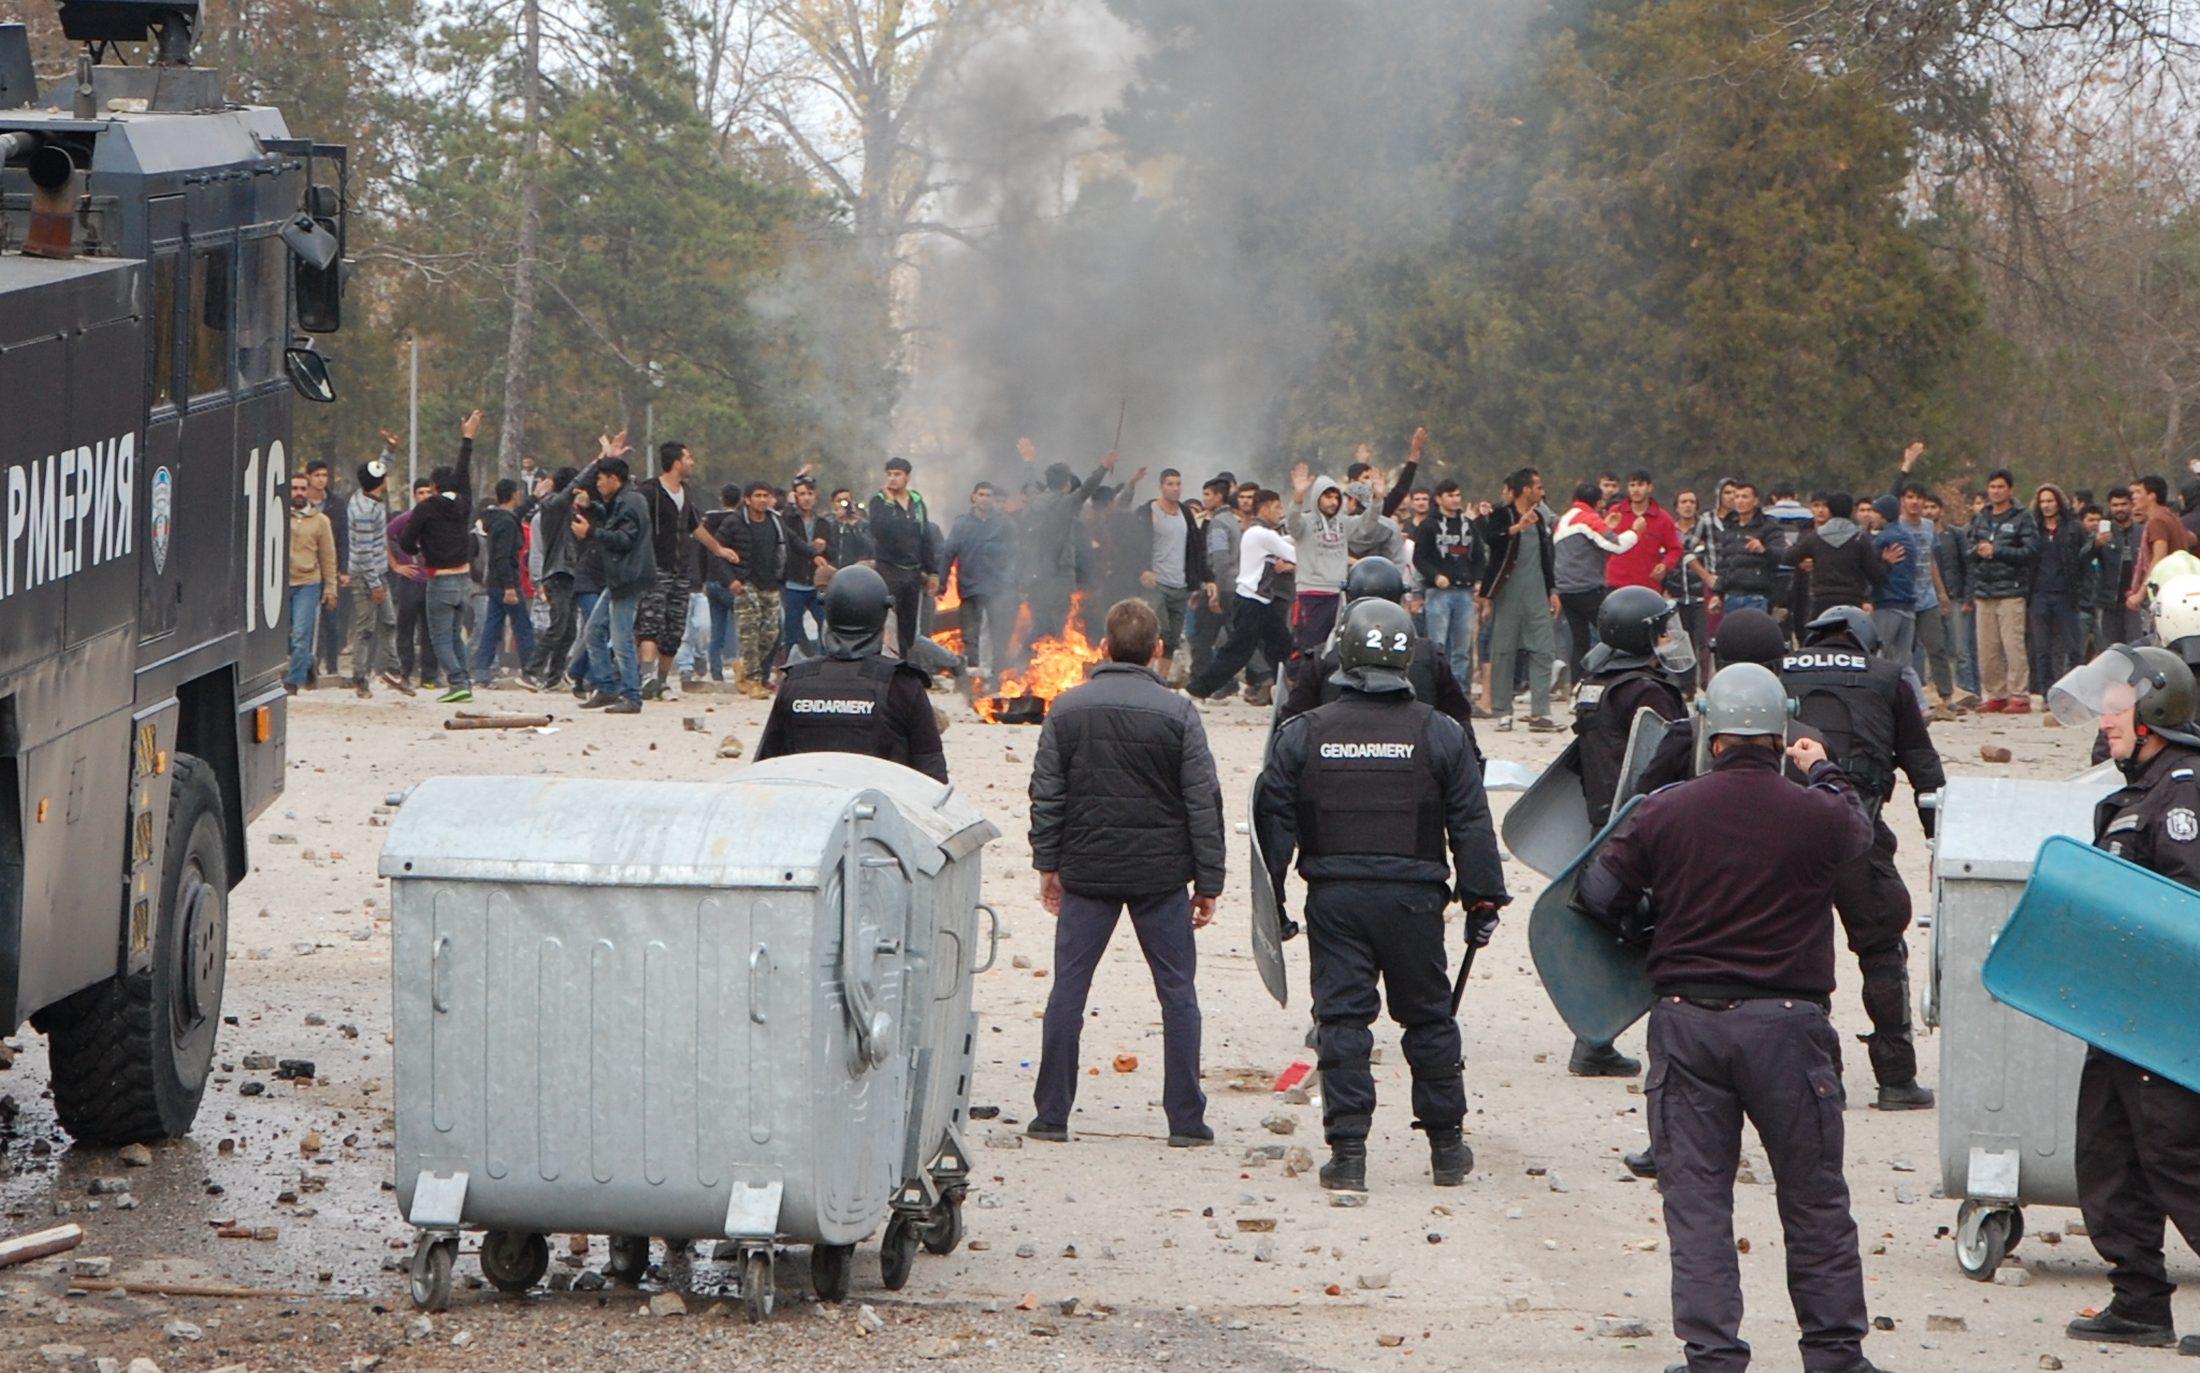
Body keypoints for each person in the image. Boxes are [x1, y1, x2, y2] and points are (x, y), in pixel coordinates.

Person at [1577, 662, 1884, 1373]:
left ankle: (1712, 1356)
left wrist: (1650, 922)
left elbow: (1595, 893)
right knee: (1815, 1200)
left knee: (1699, 1206)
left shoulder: (1667, 810)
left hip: (1688, 1025)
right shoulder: (1819, 813)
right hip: (1790, 1027)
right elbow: (1858, 830)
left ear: (1711, 733)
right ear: (1781, 736)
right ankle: (1836, 1354)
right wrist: (1826, 769)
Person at [1254, 598, 1507, 1191]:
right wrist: (1483, 900)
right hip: (1415, 902)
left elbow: (1274, 823)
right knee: (1429, 1021)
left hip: (1336, 899)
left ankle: (1348, 1158)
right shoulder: (1441, 733)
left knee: (1342, 1023)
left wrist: (1278, 906)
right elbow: (1471, 823)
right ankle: (1447, 1150)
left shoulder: (1302, 733)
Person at [2044, 645, 2200, 1355]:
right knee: (2108, 1157)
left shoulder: (2183, 790)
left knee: (2179, 1157)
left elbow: (2183, 904)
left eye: (2116, 708)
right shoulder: (2132, 792)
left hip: (2165, 1017)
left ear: (2155, 711)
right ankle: (2138, 1299)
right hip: (2118, 1017)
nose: (2104, 720)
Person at [1025, 598, 1223, 1147]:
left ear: (1104, 649)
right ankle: (1186, 1120)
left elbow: (1047, 793)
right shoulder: (1179, 712)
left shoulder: (1066, 708)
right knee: (1178, 994)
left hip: (1087, 870)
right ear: (1157, 652)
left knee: (1069, 988)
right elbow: (1203, 801)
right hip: (1160, 877)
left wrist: (1048, 863)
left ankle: (1051, 1115)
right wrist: (1209, 881)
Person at [1777, 606, 1944, 1110]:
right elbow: (1924, 769)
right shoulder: (1889, 677)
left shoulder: (1778, 670)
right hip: (1858, 829)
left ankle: (1813, 1077)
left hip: (1787, 833)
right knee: (1881, 951)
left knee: (1793, 957)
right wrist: (1940, 842)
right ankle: (1896, 1081)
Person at [1564, 584, 1691, 1081]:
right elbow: (1670, 756)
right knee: (1660, 930)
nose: (1666, 639)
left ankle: (1593, 1039)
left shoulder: (1596, 681)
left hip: (1606, 817)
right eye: (1659, 631)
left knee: (1611, 927)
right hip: (1643, 819)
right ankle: (1615, 1041)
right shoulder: (1646, 689)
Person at [1277, 557, 1481, 762]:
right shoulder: (1428, 656)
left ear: (1349, 595)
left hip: (1335, 775)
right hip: (1417, 778)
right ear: (1400, 597)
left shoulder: (1324, 656)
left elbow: (1289, 727)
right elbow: (1460, 723)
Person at [754, 565, 946, 781]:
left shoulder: (796, 682)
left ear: (828, 610)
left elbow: (764, 770)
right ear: (883, 613)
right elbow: (933, 778)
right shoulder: (902, 684)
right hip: (882, 809)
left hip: (813, 809)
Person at [637, 442, 736, 702]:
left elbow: (695, 527)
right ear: (676, 462)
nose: (692, 462)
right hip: (655, 568)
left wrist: (719, 549)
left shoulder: (686, 493)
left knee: (674, 628)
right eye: (688, 458)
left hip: (682, 571)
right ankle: (646, 679)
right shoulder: (649, 492)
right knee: (650, 623)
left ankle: (661, 681)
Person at [396, 410, 484, 704]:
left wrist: (418, 547)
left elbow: (406, 543)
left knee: (440, 637)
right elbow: (464, 474)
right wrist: (467, 439)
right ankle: (464, 684)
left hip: (440, 580)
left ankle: (457, 681)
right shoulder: (465, 503)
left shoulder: (427, 508)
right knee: (456, 635)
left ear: (433, 486)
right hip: (464, 580)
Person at [1187, 489, 1298, 701]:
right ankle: (1198, 689)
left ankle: (1293, 691)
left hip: (1263, 603)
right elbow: (1293, 552)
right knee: (1237, 653)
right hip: (1251, 604)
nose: (1280, 512)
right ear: (1264, 509)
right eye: (1277, 507)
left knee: (1281, 647)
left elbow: (1286, 542)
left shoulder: (1259, 533)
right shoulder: (1261, 534)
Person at [1477, 467, 1561, 732]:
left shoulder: (1540, 518)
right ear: (1526, 489)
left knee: (1543, 650)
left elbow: (1547, 557)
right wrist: (1516, 527)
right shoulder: (1502, 514)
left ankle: (1540, 713)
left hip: (1536, 592)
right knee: (1503, 651)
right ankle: (1503, 711)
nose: (1541, 492)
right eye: (1538, 487)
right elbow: (1491, 539)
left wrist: (1553, 590)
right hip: (1507, 593)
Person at [574, 455, 652, 714]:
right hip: (618, 577)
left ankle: (632, 695)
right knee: (593, 631)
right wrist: (590, 508)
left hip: (628, 578)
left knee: (621, 640)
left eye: (600, 478)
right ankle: (606, 687)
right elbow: (610, 518)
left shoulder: (630, 502)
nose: (597, 483)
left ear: (613, 479)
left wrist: (591, 533)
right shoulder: (622, 499)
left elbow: (624, 538)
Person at [1554, 482, 1640, 685]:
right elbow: (1617, 545)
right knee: (1614, 634)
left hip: (1566, 590)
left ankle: (1577, 686)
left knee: (1579, 641)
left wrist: (1607, 525)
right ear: (1599, 501)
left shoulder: (1564, 519)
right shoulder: (1588, 518)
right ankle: (1618, 679)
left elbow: (1585, 546)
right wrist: (1636, 531)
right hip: (1587, 588)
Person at [1967, 468, 2037, 713]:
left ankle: (2019, 695)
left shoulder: (2022, 517)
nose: (1996, 491)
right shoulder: (1981, 517)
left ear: (2010, 490)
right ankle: (1996, 694)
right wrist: (1978, 551)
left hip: (2011, 591)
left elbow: (2030, 552)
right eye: (1992, 487)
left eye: (2000, 487)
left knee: (2013, 645)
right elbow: (1967, 548)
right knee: (1987, 648)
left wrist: (1998, 551)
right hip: (1983, 591)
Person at [1411, 480, 1486, 697]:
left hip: (1464, 593)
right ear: (1439, 498)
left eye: (1457, 495)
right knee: (1438, 646)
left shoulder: (1468, 525)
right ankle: (1435, 691)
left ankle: (1459, 692)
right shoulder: (1428, 525)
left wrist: (1478, 580)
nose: (1455, 499)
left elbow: (1479, 556)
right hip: (1438, 594)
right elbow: (1419, 558)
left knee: (1462, 649)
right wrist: (1434, 576)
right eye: (1450, 495)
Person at [1136, 469, 1211, 678]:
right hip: (1156, 584)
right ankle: (1144, 677)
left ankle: (1160, 681)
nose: (1175, 488)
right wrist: (1142, 569)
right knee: (1157, 632)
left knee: (1172, 640)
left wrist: (1208, 578)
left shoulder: (1186, 513)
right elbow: (1133, 543)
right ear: (1161, 486)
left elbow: (1196, 549)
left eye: (1178, 484)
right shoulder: (1148, 511)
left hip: (1181, 585)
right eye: (1170, 484)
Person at [865, 456, 942, 657]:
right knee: (886, 622)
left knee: (908, 628)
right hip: (889, 570)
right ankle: (881, 664)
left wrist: (932, 572)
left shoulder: (917, 503)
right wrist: (890, 505)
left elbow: (926, 538)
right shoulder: (879, 502)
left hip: (912, 573)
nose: (892, 479)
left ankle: (904, 666)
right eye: (889, 474)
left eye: (897, 474)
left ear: (907, 477)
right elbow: (879, 532)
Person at [523, 457, 588, 692]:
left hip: (569, 573)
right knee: (558, 626)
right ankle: (530, 671)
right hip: (557, 574)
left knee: (569, 629)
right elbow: (537, 551)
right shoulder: (552, 509)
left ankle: (554, 676)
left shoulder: (570, 512)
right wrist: (538, 580)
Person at [944, 480, 1019, 677]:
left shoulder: (1005, 524)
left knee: (999, 636)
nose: (984, 499)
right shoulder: (961, 524)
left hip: (997, 589)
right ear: (973, 497)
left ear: (994, 499)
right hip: (969, 587)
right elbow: (948, 552)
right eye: (981, 495)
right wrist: (941, 581)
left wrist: (1013, 583)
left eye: (988, 495)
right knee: (970, 637)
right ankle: (972, 677)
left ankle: (998, 676)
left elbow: (1017, 554)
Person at [1780, 489, 1888, 619]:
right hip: (1852, 602)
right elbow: (1876, 575)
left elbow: (1788, 558)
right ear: (1851, 512)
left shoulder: (1815, 537)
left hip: (1822, 602)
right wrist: (1887, 563)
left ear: (1830, 510)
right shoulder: (1859, 538)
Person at [725, 480, 787, 696]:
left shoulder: (776, 522)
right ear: (747, 499)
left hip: (771, 584)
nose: (762, 500)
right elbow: (718, 553)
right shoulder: (734, 522)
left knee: (771, 633)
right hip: (745, 584)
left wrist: (815, 554)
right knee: (749, 634)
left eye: (765, 496)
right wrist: (730, 580)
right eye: (758, 496)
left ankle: (744, 665)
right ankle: (754, 681)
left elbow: (793, 542)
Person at [344, 459, 400, 698]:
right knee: (366, 628)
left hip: (378, 572)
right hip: (366, 575)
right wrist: (375, 585)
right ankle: (360, 678)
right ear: (380, 483)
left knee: (389, 621)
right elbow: (364, 552)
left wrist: (389, 451)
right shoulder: (365, 512)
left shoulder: (366, 494)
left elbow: (376, 468)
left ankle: (393, 670)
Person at [471, 478, 535, 682]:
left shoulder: (497, 518)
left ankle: (481, 669)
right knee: (522, 626)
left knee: (492, 626)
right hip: (507, 583)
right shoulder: (507, 523)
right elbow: (503, 556)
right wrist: (510, 586)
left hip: (494, 582)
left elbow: (516, 514)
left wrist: (535, 497)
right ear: (514, 494)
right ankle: (531, 669)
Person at [1287, 467, 1351, 655]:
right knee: (1310, 646)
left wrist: (1377, 500)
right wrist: (1298, 495)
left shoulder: (1343, 524)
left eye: (1336, 497)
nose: (1332, 502)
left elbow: (1367, 526)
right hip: (1311, 593)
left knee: (1334, 648)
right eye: (1327, 497)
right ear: (1317, 498)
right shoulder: (1305, 522)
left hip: (1337, 594)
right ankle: (1301, 681)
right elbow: (1292, 523)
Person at [285, 471, 338, 695]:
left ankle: (293, 681)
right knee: (285, 637)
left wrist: (330, 588)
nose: (298, 493)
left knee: (301, 635)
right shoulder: (278, 516)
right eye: (294, 488)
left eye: (302, 489)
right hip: (281, 584)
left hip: (308, 583)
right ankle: (308, 665)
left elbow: (328, 556)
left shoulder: (321, 521)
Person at [386, 477, 439, 692]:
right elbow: (386, 536)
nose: (425, 496)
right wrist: (396, 565)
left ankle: (429, 676)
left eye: (429, 492)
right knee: (405, 629)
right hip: (409, 582)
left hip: (432, 582)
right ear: (415, 496)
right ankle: (405, 673)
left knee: (431, 631)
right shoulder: (405, 519)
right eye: (421, 493)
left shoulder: (438, 520)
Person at [304, 456, 350, 686]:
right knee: (307, 621)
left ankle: (332, 664)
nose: (321, 480)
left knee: (332, 620)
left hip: (329, 569)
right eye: (317, 476)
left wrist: (343, 569)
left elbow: (342, 538)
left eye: (324, 475)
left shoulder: (336, 504)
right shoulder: (300, 504)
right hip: (305, 569)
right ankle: (310, 663)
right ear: (309, 478)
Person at [1603, 469, 1684, 595]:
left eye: (1640, 485)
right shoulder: (1615, 512)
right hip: (1615, 585)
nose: (1636, 489)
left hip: (1647, 587)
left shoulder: (1663, 518)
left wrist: (1665, 565)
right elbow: (1603, 543)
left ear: (1650, 487)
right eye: (1632, 485)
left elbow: (1675, 549)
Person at [779, 477, 835, 661]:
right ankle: (790, 667)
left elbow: (834, 553)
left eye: (810, 494)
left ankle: (825, 664)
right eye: (802, 494)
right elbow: (788, 542)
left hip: (817, 585)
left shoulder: (823, 524)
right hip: (793, 583)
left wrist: (824, 547)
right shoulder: (788, 520)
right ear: (795, 496)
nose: (806, 498)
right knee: (791, 631)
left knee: (826, 626)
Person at [1710, 481, 1778, 619]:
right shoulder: (1729, 529)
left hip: (1757, 596)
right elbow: (1724, 565)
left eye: (1745, 497)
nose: (1740, 501)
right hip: (1731, 597)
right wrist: (1717, 594)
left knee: (1753, 639)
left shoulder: (1768, 526)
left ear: (1755, 501)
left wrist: (1764, 550)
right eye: (1737, 497)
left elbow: (1783, 554)